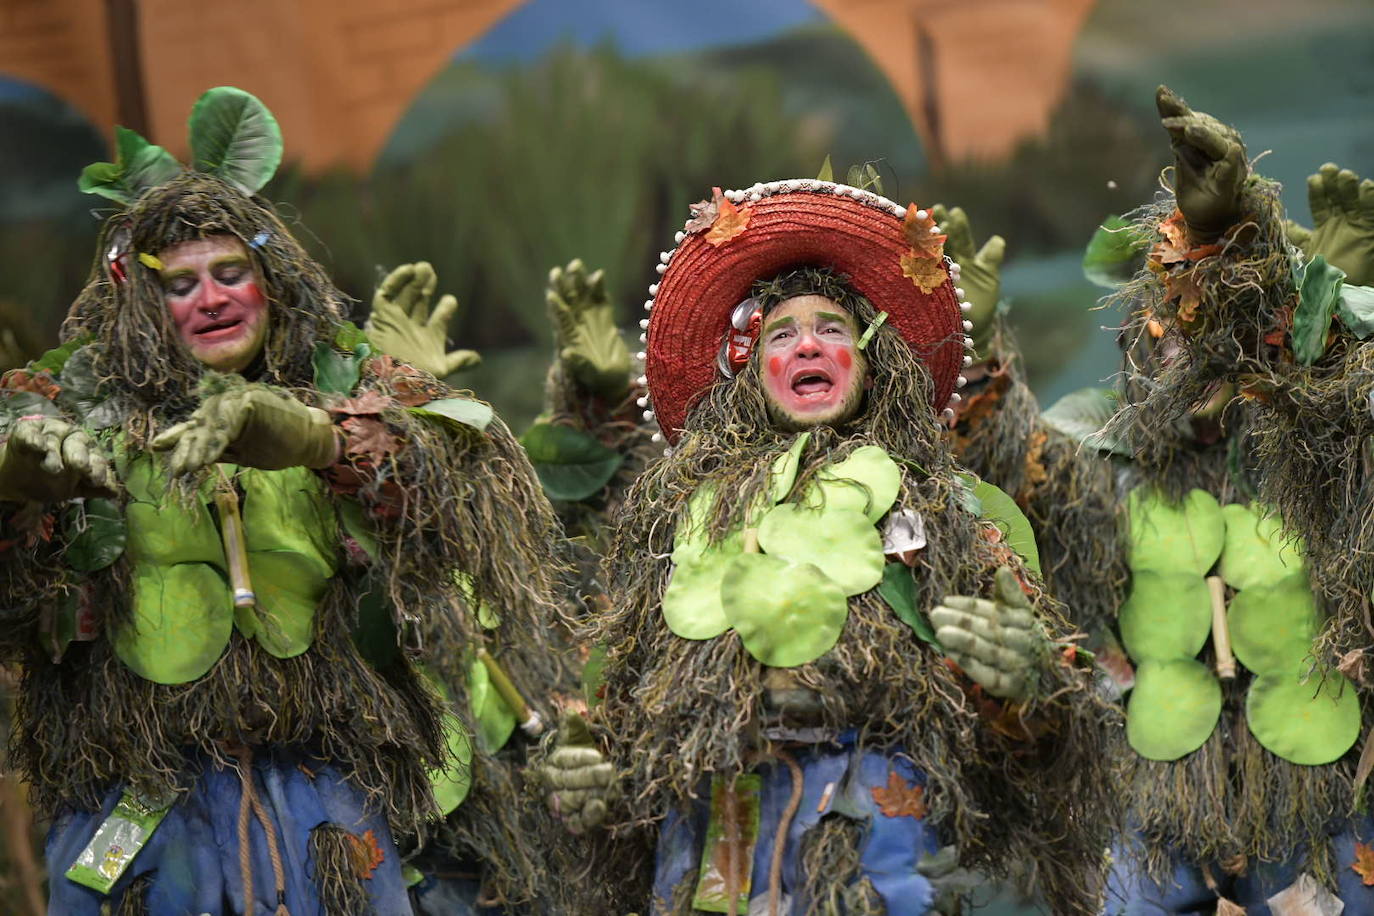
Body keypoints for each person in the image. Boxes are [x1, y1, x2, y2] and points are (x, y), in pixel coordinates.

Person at [0, 88, 559, 915]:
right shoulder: (70, 404)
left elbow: (466, 483)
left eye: (232, 274)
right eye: (180, 284)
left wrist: (312, 438)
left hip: (324, 787)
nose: (212, 299)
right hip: (142, 796)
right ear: (141, 304)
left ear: (271, 280)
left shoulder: (345, 381)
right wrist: (20, 479)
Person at [540, 181, 1117, 915]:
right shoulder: (677, 519)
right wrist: (590, 771)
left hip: (889, 837)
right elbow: (616, 710)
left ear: (875, 363)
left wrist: (1030, 682)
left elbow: (1052, 727)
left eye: (832, 329)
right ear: (748, 370)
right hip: (719, 836)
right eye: (781, 335)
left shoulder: (958, 509)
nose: (808, 344)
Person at [1081, 87, 1374, 912]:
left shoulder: (1311, 454)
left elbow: (1343, 417)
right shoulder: (1099, 462)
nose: (1184, 351)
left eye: (1211, 329)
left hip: (1312, 776)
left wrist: (1321, 294)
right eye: (1163, 330)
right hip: (1164, 775)